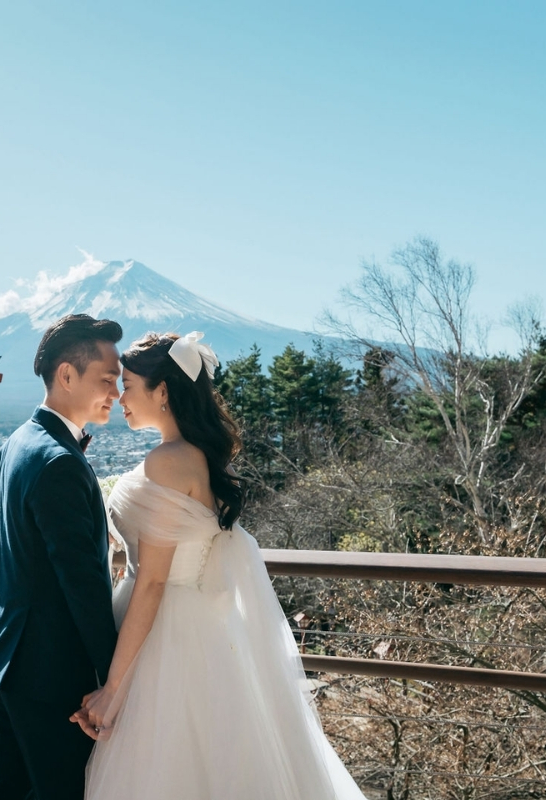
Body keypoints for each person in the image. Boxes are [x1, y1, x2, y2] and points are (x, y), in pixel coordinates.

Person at [72, 331, 367, 800]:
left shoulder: (170, 461)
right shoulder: (189, 455)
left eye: (128, 384)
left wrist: (114, 689)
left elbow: (153, 580)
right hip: (189, 625)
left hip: (164, 633)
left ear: (162, 390)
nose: (119, 396)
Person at [0, 313, 123, 799]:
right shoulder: (61, 461)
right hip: (53, 679)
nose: (116, 394)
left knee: (10, 791)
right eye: (108, 378)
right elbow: (83, 586)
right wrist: (113, 680)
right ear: (67, 375)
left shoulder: (15, 443)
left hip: (4, 659)